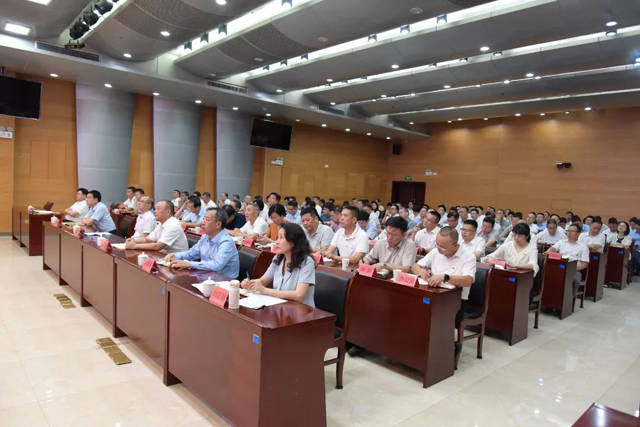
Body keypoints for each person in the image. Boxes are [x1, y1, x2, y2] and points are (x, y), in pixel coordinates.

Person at [411, 227, 476, 332]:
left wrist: (445, 277)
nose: (439, 249)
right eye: (437, 244)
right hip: (434, 295)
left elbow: (468, 280)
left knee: (431, 315)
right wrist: (422, 272)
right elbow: (415, 266)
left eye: (443, 247)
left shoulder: (468, 257)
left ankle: (439, 341)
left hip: (455, 301)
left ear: (455, 245)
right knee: (413, 308)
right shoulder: (435, 252)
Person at [241, 223, 316, 307]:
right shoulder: (278, 258)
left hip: (302, 310)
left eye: (281, 238)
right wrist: (251, 283)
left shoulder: (307, 262)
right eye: (277, 237)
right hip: (280, 306)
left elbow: (298, 295)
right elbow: (263, 281)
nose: (276, 242)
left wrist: (265, 290)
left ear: (292, 242)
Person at [164, 208, 239, 278]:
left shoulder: (226, 242)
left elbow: (216, 265)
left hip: (224, 281)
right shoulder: (205, 237)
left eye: (207, 219)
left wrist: (188, 264)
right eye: (203, 219)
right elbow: (191, 253)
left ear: (218, 224)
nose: (202, 223)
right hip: (206, 276)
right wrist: (175, 256)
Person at [546, 224, 589, 297]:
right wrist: (550, 251)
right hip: (560, 268)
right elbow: (553, 248)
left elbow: (585, 264)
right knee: (548, 276)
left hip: (574, 270)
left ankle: (569, 299)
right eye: (568, 231)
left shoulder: (583, 247)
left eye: (572, 231)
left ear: (578, 233)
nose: (569, 233)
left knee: (573, 279)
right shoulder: (561, 242)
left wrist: (572, 269)